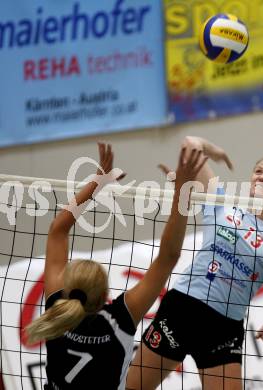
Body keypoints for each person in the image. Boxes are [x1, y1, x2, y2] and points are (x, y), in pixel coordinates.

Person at [25, 142, 208, 390]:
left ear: (67, 287)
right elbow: (169, 256)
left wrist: (97, 182)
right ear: (105, 296)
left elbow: (57, 231)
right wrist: (182, 194)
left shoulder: (57, 310)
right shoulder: (120, 319)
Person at [127, 136, 263, 390]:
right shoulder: (222, 205)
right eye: (258, 171)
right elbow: (190, 144)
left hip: (224, 329)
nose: (262, 176)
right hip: (182, 310)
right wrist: (216, 151)